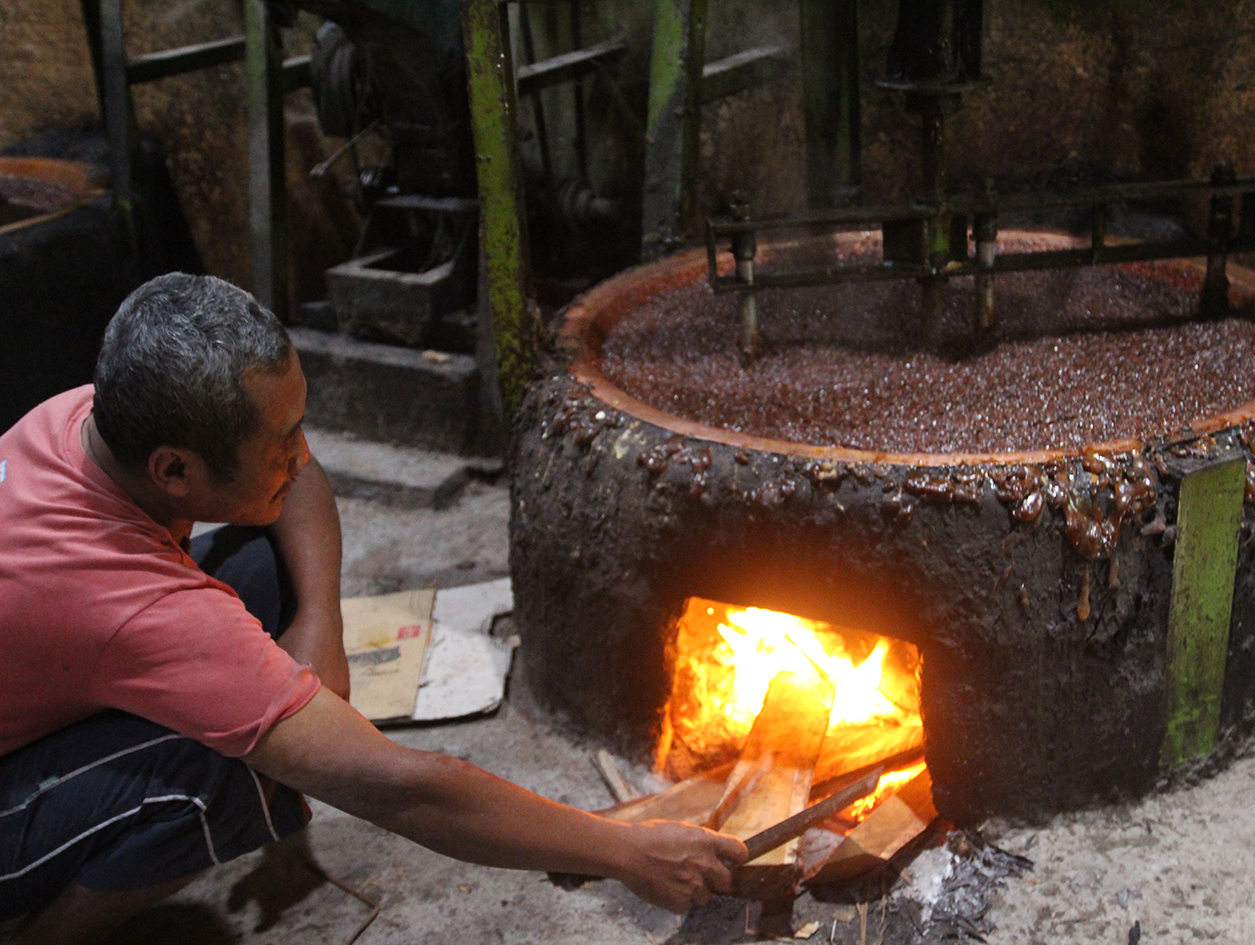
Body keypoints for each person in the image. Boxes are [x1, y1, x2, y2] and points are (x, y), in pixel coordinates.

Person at [0, 274, 745, 944]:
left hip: (47, 681)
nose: (301, 451)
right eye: (281, 440)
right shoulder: (133, 603)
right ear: (172, 467)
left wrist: (320, 617)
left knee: (270, 565)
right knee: (232, 771)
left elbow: (301, 478)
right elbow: (400, 789)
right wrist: (625, 851)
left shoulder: (89, 420)